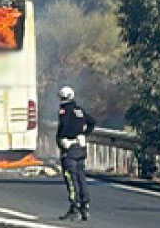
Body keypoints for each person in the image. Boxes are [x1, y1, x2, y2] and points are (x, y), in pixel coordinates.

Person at [56, 86, 96, 221]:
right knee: (81, 177)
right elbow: (92, 122)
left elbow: (64, 125)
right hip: (81, 148)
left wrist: (62, 139)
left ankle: (75, 207)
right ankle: (85, 206)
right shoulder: (79, 110)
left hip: (70, 148)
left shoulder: (64, 110)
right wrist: (83, 134)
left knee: (71, 178)